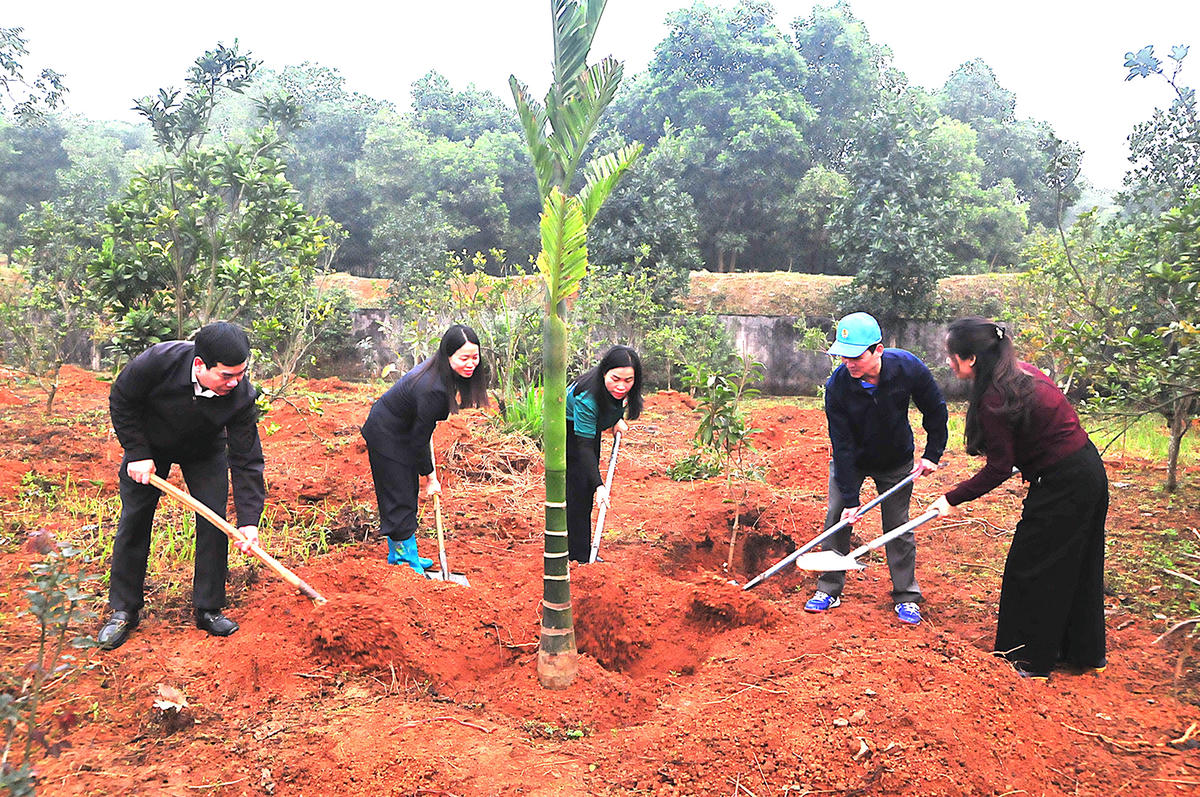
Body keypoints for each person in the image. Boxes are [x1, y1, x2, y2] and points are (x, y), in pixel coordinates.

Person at [928, 317, 1108, 679]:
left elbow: (999, 468)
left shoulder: (996, 396)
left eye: (952, 356)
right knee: (1078, 563)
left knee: (1031, 569)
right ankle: (1082, 653)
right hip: (1086, 471)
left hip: (1065, 483)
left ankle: (1027, 661)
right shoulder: (1016, 375)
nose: (948, 362)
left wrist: (951, 498)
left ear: (972, 359)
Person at [98, 322, 263, 651]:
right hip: (149, 447)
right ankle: (123, 609)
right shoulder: (159, 360)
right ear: (200, 365)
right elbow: (122, 398)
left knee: (214, 519)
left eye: (241, 373)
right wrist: (137, 452)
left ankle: (208, 607)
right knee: (135, 519)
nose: (235, 382)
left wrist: (248, 521)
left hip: (204, 450)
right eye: (227, 375)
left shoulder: (241, 395)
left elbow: (246, 460)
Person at [805, 312, 948, 625]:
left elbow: (935, 409)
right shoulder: (838, 386)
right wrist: (850, 498)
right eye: (844, 355)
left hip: (895, 459)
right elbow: (840, 444)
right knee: (837, 518)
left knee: (898, 526)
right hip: (853, 461)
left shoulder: (907, 368)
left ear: (878, 350)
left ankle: (906, 596)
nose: (849, 362)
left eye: (856, 356)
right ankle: (829, 588)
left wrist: (933, 453)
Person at [361, 324, 489, 574]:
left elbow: (423, 430)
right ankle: (402, 559)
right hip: (387, 434)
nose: (471, 363)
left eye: (475, 357)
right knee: (400, 494)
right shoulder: (433, 388)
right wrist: (430, 477)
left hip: (403, 431)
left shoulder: (443, 376)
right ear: (448, 355)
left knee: (406, 491)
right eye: (464, 358)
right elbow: (419, 440)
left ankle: (408, 553)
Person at [565, 346, 643, 563]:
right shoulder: (587, 398)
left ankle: (580, 550)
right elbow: (584, 448)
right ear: (604, 373)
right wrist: (599, 485)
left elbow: (613, 403)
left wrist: (614, 419)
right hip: (568, 431)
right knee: (578, 491)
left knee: (586, 491)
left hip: (588, 430)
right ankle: (577, 555)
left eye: (628, 380)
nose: (621, 386)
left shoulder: (616, 391)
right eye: (615, 379)